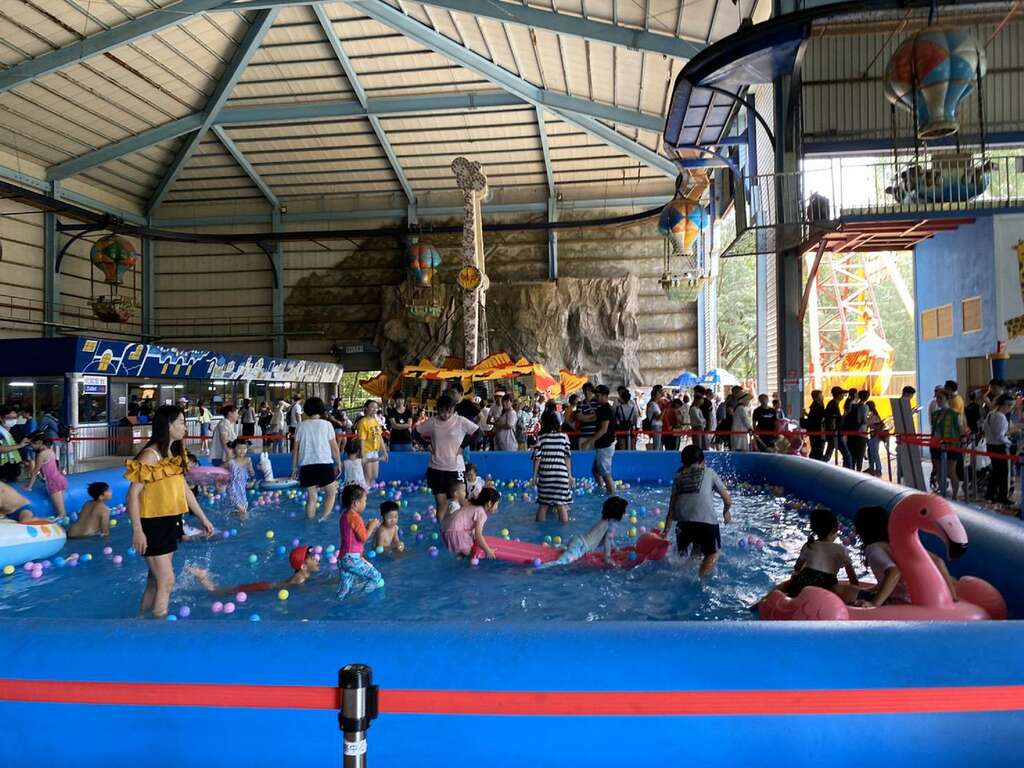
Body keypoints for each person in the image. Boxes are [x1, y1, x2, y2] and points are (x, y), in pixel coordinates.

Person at [125, 404, 215, 618]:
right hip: (152, 524)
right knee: (167, 581)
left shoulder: (173, 453)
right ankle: (159, 628)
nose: (185, 427)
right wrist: (137, 531)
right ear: (168, 425)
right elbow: (132, 495)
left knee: (155, 582)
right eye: (181, 423)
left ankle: (142, 621)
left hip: (170, 521)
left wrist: (203, 518)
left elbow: (185, 491)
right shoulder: (150, 456)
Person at [838, 506, 956, 607]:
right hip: (927, 600)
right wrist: (953, 597)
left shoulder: (874, 548)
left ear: (862, 530)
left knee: (843, 590)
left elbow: (894, 572)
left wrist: (874, 604)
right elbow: (938, 561)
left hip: (902, 603)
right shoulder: (901, 546)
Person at [662, 445, 732, 578]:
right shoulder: (709, 472)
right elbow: (728, 500)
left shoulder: (678, 476)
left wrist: (665, 531)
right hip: (706, 523)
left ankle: (682, 576)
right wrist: (726, 512)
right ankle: (700, 580)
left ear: (683, 463)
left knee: (686, 555)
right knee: (713, 553)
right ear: (703, 461)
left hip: (682, 525)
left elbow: (672, 508)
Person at [765, 509, 857, 600]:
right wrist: (855, 591)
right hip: (825, 588)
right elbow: (852, 578)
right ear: (835, 529)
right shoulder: (841, 549)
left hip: (802, 584)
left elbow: (797, 567)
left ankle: (766, 600)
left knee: (786, 585)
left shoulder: (808, 545)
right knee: (848, 591)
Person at [416, 395, 480, 517]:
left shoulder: (460, 421)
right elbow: (415, 433)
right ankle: (441, 528)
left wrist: (463, 446)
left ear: (453, 409)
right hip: (436, 468)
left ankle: (469, 524)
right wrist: (426, 445)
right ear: (438, 409)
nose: (445, 415)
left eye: (449, 411)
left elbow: (478, 433)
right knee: (441, 504)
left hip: (455, 468)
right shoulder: (433, 422)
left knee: (462, 500)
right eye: (442, 411)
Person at [190, 545, 321, 596]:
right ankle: (203, 578)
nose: (316, 559)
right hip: (264, 587)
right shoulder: (299, 579)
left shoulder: (302, 576)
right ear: (303, 567)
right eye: (312, 558)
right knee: (222, 592)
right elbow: (304, 589)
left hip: (268, 586)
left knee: (230, 590)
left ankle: (204, 578)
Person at [537, 496, 627, 570]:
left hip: (579, 542)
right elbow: (608, 541)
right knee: (562, 562)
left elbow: (610, 540)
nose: (624, 513)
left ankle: (558, 547)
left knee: (568, 552)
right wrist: (608, 558)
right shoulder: (612, 525)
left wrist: (617, 550)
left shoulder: (605, 521)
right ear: (618, 513)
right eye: (623, 511)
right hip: (580, 547)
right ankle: (534, 569)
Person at [290, 396, 341, 521]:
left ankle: (310, 522)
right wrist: (338, 463)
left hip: (306, 465)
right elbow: (334, 447)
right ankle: (323, 518)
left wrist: (294, 468)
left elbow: (295, 450)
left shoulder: (301, 426)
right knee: (331, 493)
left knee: (312, 498)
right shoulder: (327, 425)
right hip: (324, 464)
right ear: (321, 408)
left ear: (306, 409)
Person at [337, 484, 384, 599]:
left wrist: (368, 527)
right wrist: (372, 526)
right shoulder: (355, 517)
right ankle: (359, 597)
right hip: (352, 559)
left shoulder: (344, 515)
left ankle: (339, 601)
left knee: (345, 589)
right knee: (376, 577)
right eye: (364, 500)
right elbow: (363, 537)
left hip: (343, 559)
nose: (365, 503)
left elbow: (354, 536)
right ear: (355, 503)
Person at [532, 410, 574, 523]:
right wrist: (569, 475)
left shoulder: (541, 438)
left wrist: (534, 476)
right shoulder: (564, 437)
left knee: (543, 505)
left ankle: (539, 529)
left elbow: (537, 458)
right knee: (561, 505)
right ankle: (565, 529)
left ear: (544, 422)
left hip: (546, 476)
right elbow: (567, 457)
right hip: (561, 476)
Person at [441, 486, 500, 559]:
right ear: (490, 503)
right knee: (471, 554)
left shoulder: (473, 505)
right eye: (497, 504)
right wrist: (488, 550)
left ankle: (461, 554)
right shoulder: (481, 514)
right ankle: (462, 556)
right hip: (454, 532)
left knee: (468, 543)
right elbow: (478, 535)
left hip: (445, 529)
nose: (497, 507)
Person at [930, 388, 965, 499]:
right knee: (939, 471)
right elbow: (934, 430)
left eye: (941, 398)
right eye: (937, 398)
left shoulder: (955, 414)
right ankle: (942, 493)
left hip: (951, 446)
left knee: (951, 471)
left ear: (947, 399)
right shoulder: (935, 414)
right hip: (936, 445)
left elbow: (961, 429)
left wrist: (962, 438)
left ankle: (954, 495)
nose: (938, 400)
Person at [25, 432, 68, 520]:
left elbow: (35, 472)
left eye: (32, 444)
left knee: (61, 514)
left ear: (39, 442)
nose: (31, 446)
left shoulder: (42, 454)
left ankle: (61, 526)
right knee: (62, 510)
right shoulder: (50, 451)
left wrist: (29, 487)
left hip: (53, 483)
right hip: (60, 479)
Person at [983, 394, 1014, 506]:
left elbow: (985, 429)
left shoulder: (990, 414)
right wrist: (1010, 442)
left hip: (990, 445)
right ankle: (1002, 497)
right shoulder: (1001, 417)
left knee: (996, 472)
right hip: (999, 447)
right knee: (1003, 473)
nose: (1010, 408)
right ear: (1002, 404)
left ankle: (990, 494)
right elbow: (999, 436)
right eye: (1009, 405)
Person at [590, 385, 616, 494]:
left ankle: (612, 497)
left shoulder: (606, 409)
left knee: (606, 474)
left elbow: (604, 429)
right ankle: (601, 488)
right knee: (596, 470)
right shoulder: (601, 409)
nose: (596, 397)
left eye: (598, 395)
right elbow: (593, 418)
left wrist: (590, 441)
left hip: (605, 445)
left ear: (605, 396)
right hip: (602, 445)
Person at [355, 400, 385, 487]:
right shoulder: (362, 422)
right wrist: (363, 455)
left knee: (374, 475)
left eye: (376, 408)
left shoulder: (375, 420)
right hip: (366, 452)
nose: (375, 409)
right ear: (366, 408)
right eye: (372, 407)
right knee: (368, 476)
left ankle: (369, 490)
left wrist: (384, 451)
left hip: (375, 451)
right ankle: (365, 492)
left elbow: (380, 437)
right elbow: (362, 440)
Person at [225, 438, 255, 520]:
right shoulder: (231, 462)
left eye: (244, 448)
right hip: (232, 490)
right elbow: (219, 469)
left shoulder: (248, 460)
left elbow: (252, 473)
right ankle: (245, 526)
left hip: (242, 491)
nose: (242, 451)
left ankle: (233, 519)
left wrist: (250, 469)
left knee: (241, 511)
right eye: (239, 448)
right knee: (243, 512)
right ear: (234, 449)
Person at [0, 404, 27, 483]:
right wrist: (19, 445)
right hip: (2, 470)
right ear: (1, 418)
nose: (13, 420)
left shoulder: (16, 429)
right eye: (9, 418)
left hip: (14, 468)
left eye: (15, 418)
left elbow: (20, 447)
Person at [844, 390, 869, 472]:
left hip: (851, 433)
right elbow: (864, 420)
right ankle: (858, 472)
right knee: (860, 456)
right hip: (861, 433)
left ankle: (851, 471)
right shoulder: (865, 407)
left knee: (852, 454)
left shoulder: (853, 405)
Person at [823, 387, 849, 465]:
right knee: (847, 455)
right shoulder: (833, 405)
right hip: (835, 434)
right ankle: (848, 469)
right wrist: (834, 432)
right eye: (842, 394)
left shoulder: (833, 404)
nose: (843, 396)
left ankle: (819, 465)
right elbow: (832, 420)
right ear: (838, 395)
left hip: (834, 434)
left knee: (828, 454)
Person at [802, 390, 826, 460]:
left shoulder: (819, 405)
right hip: (816, 431)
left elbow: (812, 417)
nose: (822, 396)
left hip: (817, 431)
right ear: (817, 397)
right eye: (821, 395)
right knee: (817, 449)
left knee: (817, 449)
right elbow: (815, 418)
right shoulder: (816, 406)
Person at [865, 400, 886, 477]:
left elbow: (877, 426)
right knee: (870, 452)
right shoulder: (872, 415)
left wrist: (869, 425)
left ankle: (878, 469)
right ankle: (871, 468)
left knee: (874, 453)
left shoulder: (874, 416)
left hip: (875, 436)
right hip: (873, 436)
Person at [575, 383, 598, 450]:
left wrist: (584, 417)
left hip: (595, 436)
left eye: (589, 390)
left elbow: (597, 417)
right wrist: (592, 417)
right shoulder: (580, 403)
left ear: (592, 391)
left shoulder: (597, 402)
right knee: (583, 455)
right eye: (585, 390)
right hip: (583, 435)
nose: (586, 392)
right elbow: (579, 417)